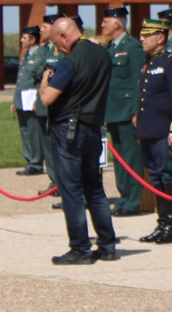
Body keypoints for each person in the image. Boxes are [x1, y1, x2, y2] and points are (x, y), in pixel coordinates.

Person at [38, 17, 117, 265]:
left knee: (71, 190)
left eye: (56, 43)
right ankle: (107, 245)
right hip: (94, 128)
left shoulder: (70, 61)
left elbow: (48, 99)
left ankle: (80, 248)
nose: (56, 49)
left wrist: (44, 82)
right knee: (95, 188)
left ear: (64, 36)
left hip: (68, 130)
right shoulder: (103, 55)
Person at [135, 19, 172, 245]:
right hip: (149, 131)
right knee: (155, 177)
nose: (141, 39)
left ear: (160, 38)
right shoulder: (147, 62)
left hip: (164, 132)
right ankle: (160, 223)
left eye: (146, 35)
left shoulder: (170, 63)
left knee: (168, 176)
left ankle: (170, 225)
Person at [100, 7, 146, 217]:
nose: (102, 25)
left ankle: (133, 201)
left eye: (105, 22)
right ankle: (123, 196)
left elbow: (138, 81)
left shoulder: (132, 46)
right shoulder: (109, 47)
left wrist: (137, 111)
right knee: (118, 156)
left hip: (127, 110)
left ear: (117, 24)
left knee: (131, 156)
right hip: (112, 110)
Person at [36, 14, 65, 200]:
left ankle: (60, 182)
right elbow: (38, 72)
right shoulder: (45, 49)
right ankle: (53, 180)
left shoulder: (62, 49)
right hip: (44, 101)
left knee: (59, 146)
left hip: (57, 101)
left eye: (44, 27)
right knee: (48, 145)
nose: (41, 31)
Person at [14, 26, 46, 176]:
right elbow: (21, 80)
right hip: (22, 99)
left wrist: (37, 101)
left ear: (33, 40)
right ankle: (29, 160)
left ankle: (36, 162)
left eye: (24, 38)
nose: (21, 40)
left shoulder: (41, 55)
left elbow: (40, 82)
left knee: (34, 131)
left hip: (32, 99)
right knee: (24, 131)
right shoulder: (26, 55)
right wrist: (15, 101)